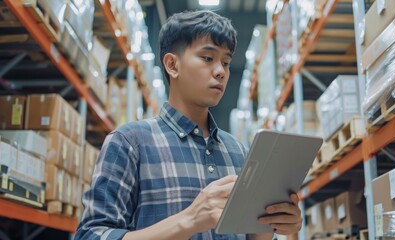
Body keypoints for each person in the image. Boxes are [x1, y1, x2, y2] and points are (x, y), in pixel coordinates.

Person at [75, 10, 302, 240]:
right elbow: (91, 235)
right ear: (172, 65)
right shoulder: (130, 142)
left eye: (225, 62)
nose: (220, 71)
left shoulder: (239, 152)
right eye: (207, 58)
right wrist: (189, 220)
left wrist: (272, 222)